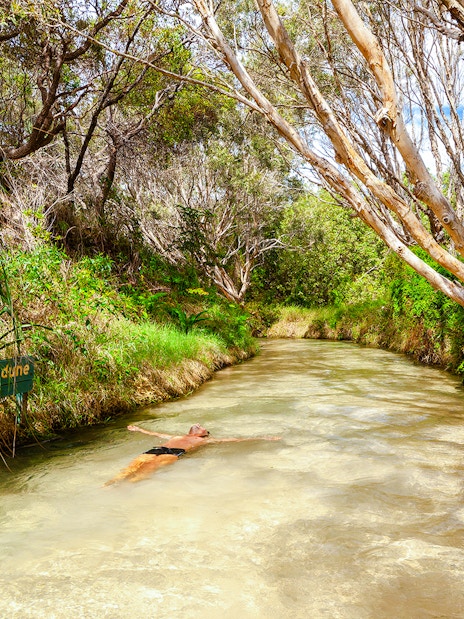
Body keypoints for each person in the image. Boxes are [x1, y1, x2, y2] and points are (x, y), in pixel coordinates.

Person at [105, 423, 280, 485]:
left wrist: (138, 429)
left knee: (139, 467)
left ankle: (117, 485)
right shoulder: (197, 439)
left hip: (166, 450)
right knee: (139, 468)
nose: (202, 427)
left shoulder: (189, 438)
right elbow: (235, 440)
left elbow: (235, 440)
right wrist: (137, 429)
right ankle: (118, 485)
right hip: (167, 451)